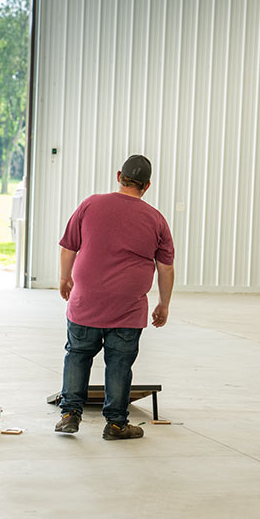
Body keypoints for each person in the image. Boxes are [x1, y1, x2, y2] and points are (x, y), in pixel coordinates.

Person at [54, 154, 175, 440]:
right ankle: (117, 424)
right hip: (128, 308)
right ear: (147, 185)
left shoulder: (90, 204)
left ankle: (70, 414)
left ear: (119, 176)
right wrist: (163, 304)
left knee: (78, 355)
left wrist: (64, 278)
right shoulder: (156, 218)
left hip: (87, 302)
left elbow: (68, 247)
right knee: (120, 363)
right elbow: (166, 268)